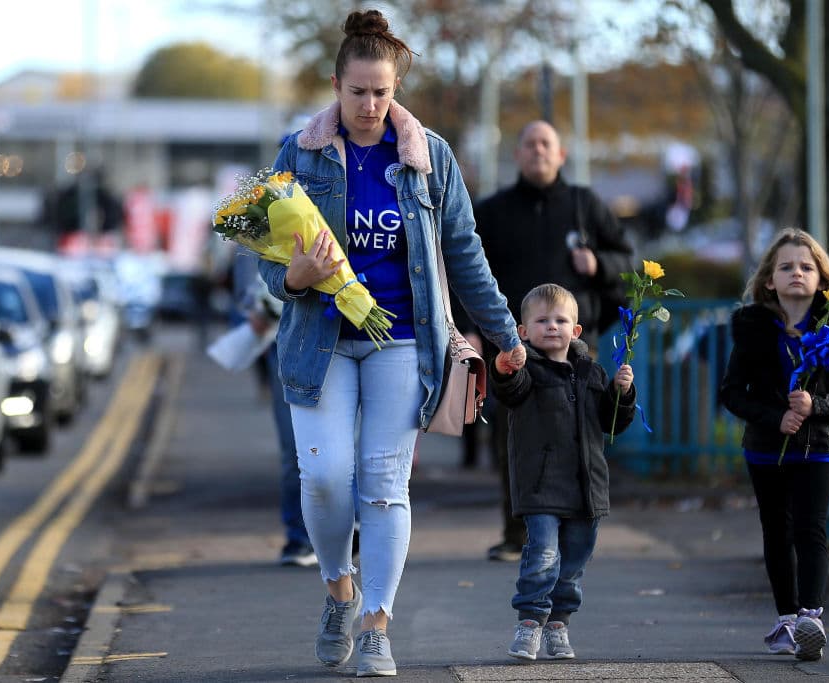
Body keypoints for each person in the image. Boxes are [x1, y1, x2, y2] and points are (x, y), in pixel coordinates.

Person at [257, 9, 526, 677]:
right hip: (319, 341)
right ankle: (337, 588)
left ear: (395, 87)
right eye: (358, 92)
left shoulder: (429, 156)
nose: (371, 105)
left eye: (382, 92)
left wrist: (505, 332)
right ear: (335, 84)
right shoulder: (300, 151)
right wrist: (297, 275)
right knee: (322, 480)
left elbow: (463, 252)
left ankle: (377, 622)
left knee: (382, 485)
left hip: (402, 341)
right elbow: (264, 261)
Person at [474, 120, 634, 562]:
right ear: (518, 155)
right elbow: (465, 271)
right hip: (512, 346)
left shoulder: (585, 205)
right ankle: (517, 534)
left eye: (546, 144)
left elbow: (628, 263)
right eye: (529, 144)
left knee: (577, 436)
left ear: (561, 155)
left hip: (578, 351)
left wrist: (598, 263)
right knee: (514, 437)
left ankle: (572, 529)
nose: (538, 151)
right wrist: (470, 327)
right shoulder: (492, 212)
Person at [719, 228, 829, 661]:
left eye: (806, 267)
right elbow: (732, 392)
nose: (796, 273)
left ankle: (811, 617)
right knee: (777, 530)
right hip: (766, 447)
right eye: (786, 267)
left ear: (822, 279)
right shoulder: (752, 331)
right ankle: (786, 617)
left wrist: (814, 406)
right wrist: (776, 416)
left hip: (819, 445)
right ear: (770, 280)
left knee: (811, 529)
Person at [490, 283, 635, 661]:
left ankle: (559, 623)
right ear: (524, 331)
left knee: (574, 558)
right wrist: (504, 370)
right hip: (539, 486)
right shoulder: (528, 370)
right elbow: (510, 391)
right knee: (542, 554)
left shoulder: (592, 371)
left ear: (576, 331)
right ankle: (529, 622)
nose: (552, 327)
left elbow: (613, 423)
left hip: (586, 487)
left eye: (561, 320)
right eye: (541, 320)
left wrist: (623, 394)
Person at [232, 249, 317, 567]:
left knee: (350, 445)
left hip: (338, 340)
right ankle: (300, 538)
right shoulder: (255, 214)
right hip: (283, 345)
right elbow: (245, 289)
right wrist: (257, 309)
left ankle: (352, 525)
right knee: (295, 449)